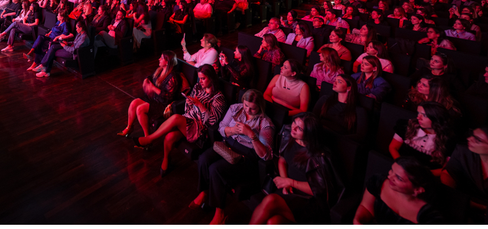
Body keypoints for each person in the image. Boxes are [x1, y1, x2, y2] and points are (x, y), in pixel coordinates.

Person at [190, 90, 275, 224]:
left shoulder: (265, 123)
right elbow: (221, 128)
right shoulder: (235, 108)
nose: (248, 110)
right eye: (246, 105)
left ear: (260, 106)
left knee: (215, 169)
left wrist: (251, 135)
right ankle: (204, 191)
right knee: (204, 159)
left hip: (246, 156)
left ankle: (220, 213)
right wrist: (232, 130)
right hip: (228, 145)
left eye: (252, 108)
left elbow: (266, 155)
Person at [249, 113, 344, 224]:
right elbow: (282, 160)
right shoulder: (290, 137)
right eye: (294, 122)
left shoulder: (319, 157)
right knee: (273, 222)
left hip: (308, 201)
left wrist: (290, 182)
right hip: (290, 190)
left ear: (309, 134)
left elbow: (318, 190)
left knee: (271, 200)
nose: (293, 128)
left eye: (299, 128)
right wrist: (286, 183)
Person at [133, 65, 226, 176]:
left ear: (211, 78)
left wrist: (200, 106)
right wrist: (190, 103)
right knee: (169, 137)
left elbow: (212, 122)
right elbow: (187, 108)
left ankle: (149, 139)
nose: (200, 81)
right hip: (188, 120)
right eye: (199, 78)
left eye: (203, 78)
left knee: (176, 117)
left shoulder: (218, 98)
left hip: (200, 129)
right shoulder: (197, 87)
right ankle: (166, 160)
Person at [440, 126, 488, 210]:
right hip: (463, 205)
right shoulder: (463, 151)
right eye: (472, 135)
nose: (469, 139)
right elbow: (449, 173)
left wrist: (479, 207)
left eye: (477, 140)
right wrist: (450, 194)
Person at [353, 157, 444, 223]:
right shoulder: (377, 182)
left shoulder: (429, 217)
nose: (389, 177)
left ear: (418, 190)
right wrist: (357, 220)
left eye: (399, 178)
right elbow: (367, 209)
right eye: (391, 171)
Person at [117, 51, 182, 138]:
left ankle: (147, 137)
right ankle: (129, 127)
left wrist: (153, 88)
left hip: (162, 104)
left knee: (140, 109)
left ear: (167, 62)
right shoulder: (160, 70)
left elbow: (168, 97)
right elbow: (151, 77)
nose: (159, 59)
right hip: (155, 99)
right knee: (134, 103)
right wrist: (146, 80)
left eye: (162, 58)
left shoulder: (173, 77)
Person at [389, 102, 454, 173]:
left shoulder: (448, 140)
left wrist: (422, 174)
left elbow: (446, 169)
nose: (418, 117)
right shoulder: (408, 126)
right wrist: (402, 166)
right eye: (418, 113)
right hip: (401, 169)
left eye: (424, 115)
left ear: (436, 119)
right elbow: (393, 147)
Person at [314, 74, 368, 141]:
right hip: (318, 134)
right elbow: (313, 117)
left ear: (349, 88)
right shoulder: (325, 99)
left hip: (339, 142)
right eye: (335, 80)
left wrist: (339, 139)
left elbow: (361, 135)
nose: (335, 83)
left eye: (339, 82)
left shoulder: (359, 111)